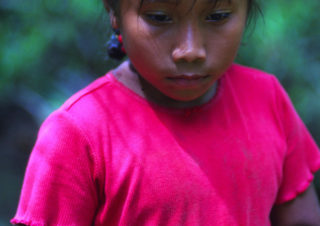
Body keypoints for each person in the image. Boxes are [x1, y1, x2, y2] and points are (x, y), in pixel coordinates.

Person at [11, 0, 320, 225]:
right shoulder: (77, 132)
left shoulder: (267, 99)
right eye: (159, 17)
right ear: (114, 12)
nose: (190, 50)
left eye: (218, 16)